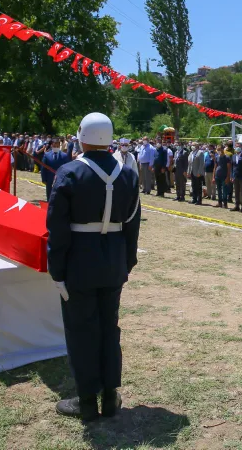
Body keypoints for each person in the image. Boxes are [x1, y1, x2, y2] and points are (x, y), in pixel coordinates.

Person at [46, 112, 140, 422]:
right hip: (112, 260)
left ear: (82, 137)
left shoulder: (69, 172)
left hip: (79, 262)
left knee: (81, 331)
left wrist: (57, 270)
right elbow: (132, 225)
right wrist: (125, 263)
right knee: (109, 329)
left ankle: (87, 401)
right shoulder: (128, 175)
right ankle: (110, 397)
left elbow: (57, 229)